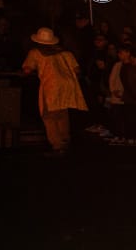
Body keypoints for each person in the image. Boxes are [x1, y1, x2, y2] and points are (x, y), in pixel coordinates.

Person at [22, 27, 88, 156]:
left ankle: (57, 146)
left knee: (49, 116)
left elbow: (27, 70)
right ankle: (65, 141)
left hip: (51, 86)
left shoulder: (35, 53)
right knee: (62, 113)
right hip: (67, 85)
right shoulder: (65, 53)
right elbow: (77, 70)